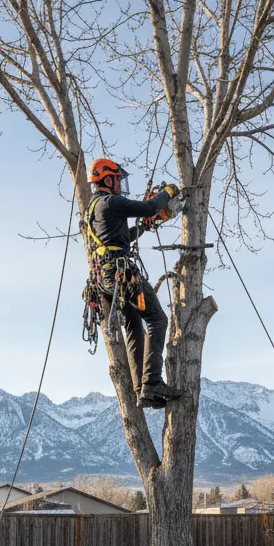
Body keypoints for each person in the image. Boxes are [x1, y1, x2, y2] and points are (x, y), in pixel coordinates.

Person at [85, 157, 183, 409]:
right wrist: (167, 191)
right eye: (117, 179)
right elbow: (150, 207)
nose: (120, 184)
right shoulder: (111, 201)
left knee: (133, 327)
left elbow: (119, 238)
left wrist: (143, 229)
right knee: (157, 319)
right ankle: (152, 383)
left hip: (105, 279)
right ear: (107, 179)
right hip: (120, 274)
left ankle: (142, 389)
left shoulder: (94, 207)